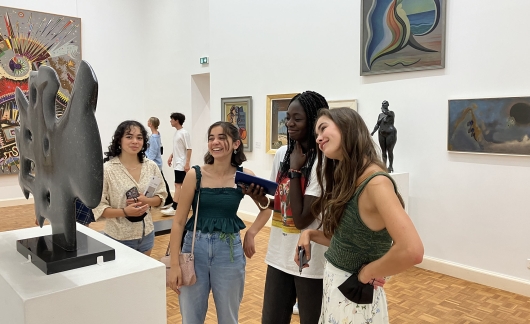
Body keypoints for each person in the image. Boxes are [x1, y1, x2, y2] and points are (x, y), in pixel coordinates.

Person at [296, 108, 423, 323]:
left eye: (323, 128)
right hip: (339, 295)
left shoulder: (376, 183)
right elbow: (349, 243)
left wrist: (368, 273)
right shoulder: (352, 178)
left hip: (352, 300)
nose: (318, 138)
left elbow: (412, 251)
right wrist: (308, 234)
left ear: (347, 126)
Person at [167, 121, 270, 324]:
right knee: (191, 318)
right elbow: (179, 222)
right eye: (211, 138)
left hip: (229, 251)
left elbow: (267, 210)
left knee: (229, 318)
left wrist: (251, 233)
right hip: (194, 249)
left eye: (222, 138)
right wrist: (174, 265)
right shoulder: (194, 174)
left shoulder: (244, 176)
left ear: (235, 144)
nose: (215, 142)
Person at [244, 91, 329, 324]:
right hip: (279, 256)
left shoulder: (324, 161)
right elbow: (280, 206)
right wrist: (258, 198)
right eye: (287, 118)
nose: (289, 123)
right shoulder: (283, 154)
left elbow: (302, 220)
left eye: (297, 118)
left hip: (310, 261)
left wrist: (294, 171)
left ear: (313, 120)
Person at [92, 120, 167, 256]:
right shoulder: (107, 170)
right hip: (119, 237)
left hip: (147, 235)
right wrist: (125, 212)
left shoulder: (151, 167)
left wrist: (147, 201)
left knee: (143, 276)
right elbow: (99, 207)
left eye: (139, 137)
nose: (135, 141)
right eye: (129, 136)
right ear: (119, 140)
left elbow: (161, 196)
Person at [162, 112, 192, 216]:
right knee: (182, 184)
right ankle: (183, 205)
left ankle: (175, 207)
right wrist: (171, 156)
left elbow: (189, 149)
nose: (170, 121)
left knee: (178, 184)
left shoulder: (184, 133)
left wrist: (187, 163)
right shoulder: (177, 132)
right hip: (177, 162)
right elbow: (178, 148)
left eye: (172, 119)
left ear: (177, 120)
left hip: (182, 163)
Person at [146, 117, 174, 210]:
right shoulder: (157, 135)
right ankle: (167, 200)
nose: (147, 122)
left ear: (151, 123)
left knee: (154, 183)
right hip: (157, 163)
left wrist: (148, 161)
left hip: (154, 163)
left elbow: (153, 151)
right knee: (158, 182)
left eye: (148, 121)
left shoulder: (154, 137)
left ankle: (166, 201)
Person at [371, 100, 397, 172]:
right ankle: (384, 166)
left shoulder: (391, 113)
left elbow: (386, 113)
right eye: (382, 104)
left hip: (390, 133)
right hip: (381, 133)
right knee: (383, 151)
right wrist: (373, 132)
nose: (383, 105)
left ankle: (390, 166)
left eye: (384, 104)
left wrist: (383, 110)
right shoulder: (380, 115)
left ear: (388, 105)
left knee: (390, 150)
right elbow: (377, 124)